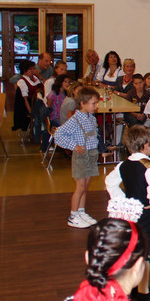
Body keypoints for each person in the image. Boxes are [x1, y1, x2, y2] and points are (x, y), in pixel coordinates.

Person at [104, 125, 150, 301]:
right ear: (146, 145)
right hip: (146, 214)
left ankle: (129, 287)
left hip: (130, 212)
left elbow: (110, 182)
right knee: (145, 253)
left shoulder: (123, 165)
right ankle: (143, 292)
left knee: (132, 249)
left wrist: (122, 200)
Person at [54, 86, 102, 228]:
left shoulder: (91, 118)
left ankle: (81, 211)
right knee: (80, 187)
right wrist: (73, 146)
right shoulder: (75, 120)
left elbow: (94, 136)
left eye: (96, 103)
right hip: (81, 157)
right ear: (82, 103)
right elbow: (58, 134)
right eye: (93, 103)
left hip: (91, 155)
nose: (96, 106)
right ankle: (73, 215)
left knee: (85, 186)